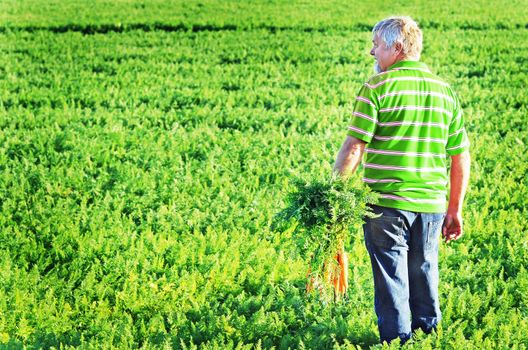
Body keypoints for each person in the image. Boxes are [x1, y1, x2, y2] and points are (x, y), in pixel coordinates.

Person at [333, 16, 470, 344]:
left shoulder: (377, 87)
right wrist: (455, 209)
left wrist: (334, 193)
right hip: (431, 205)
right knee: (424, 270)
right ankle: (428, 337)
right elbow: (459, 155)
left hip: (385, 204)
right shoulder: (444, 91)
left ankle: (397, 342)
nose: (371, 53)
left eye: (376, 45)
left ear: (397, 48)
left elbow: (354, 147)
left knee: (391, 278)